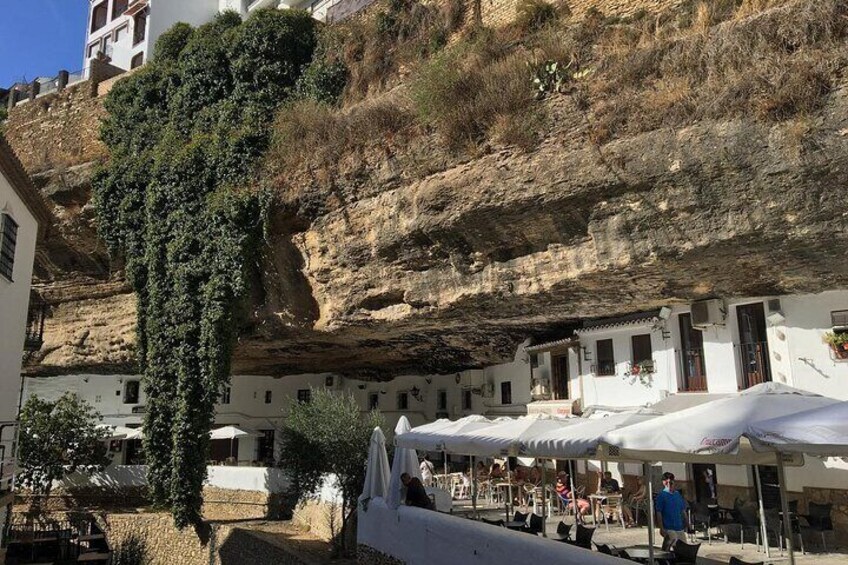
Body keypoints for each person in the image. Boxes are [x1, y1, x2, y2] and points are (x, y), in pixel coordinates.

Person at [655, 472, 688, 550]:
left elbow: (683, 510)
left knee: (684, 548)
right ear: (663, 482)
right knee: (676, 546)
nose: (669, 482)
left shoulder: (677, 495)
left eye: (670, 481)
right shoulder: (661, 495)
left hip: (679, 527)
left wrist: (687, 523)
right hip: (668, 527)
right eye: (666, 480)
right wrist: (661, 527)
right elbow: (658, 512)